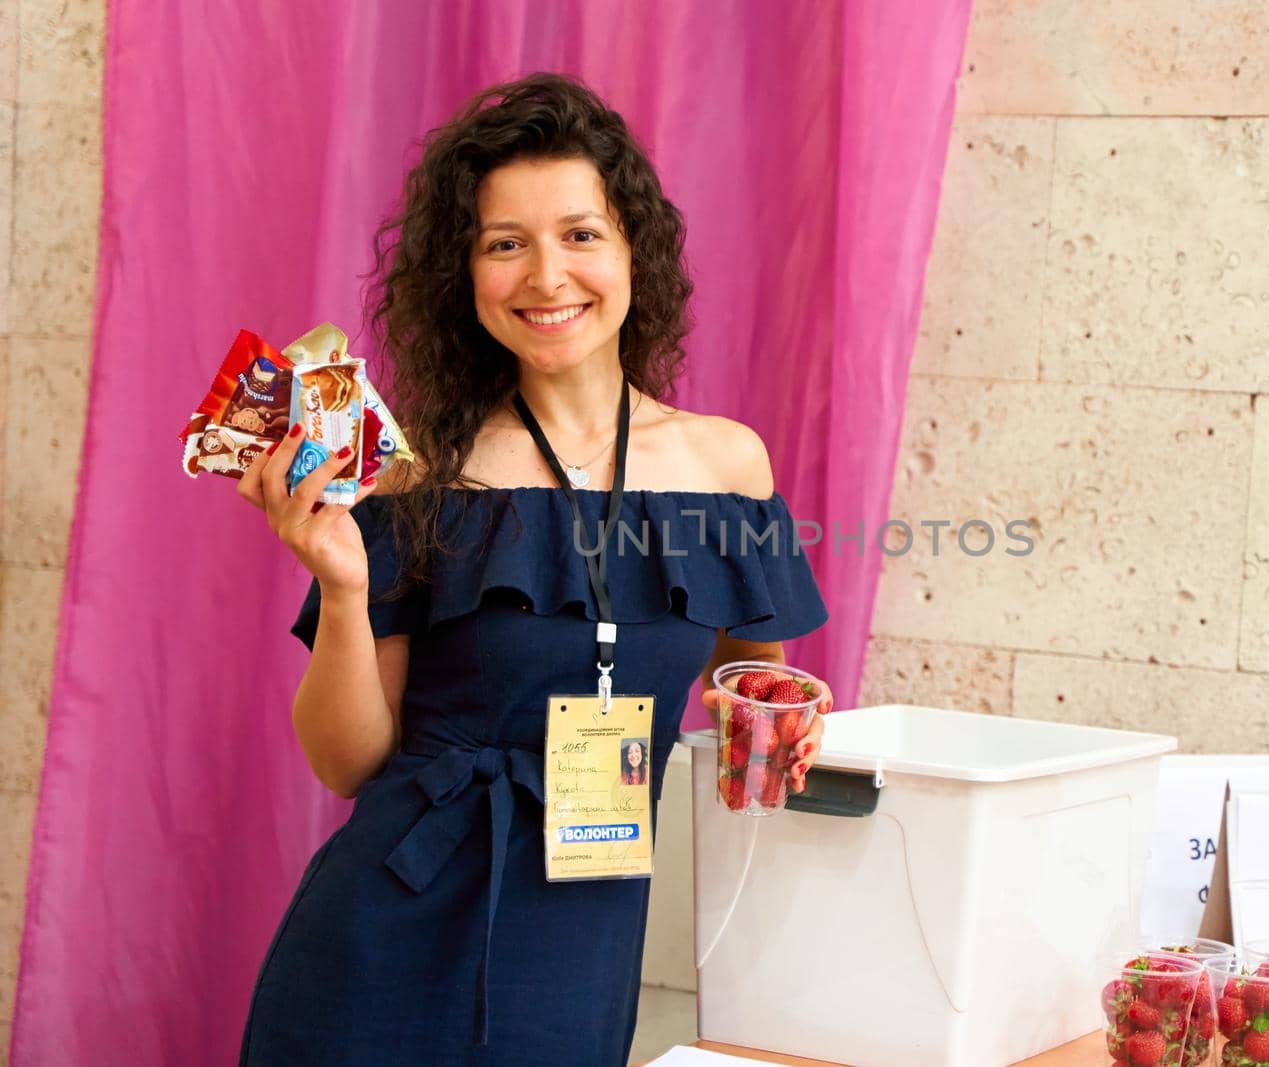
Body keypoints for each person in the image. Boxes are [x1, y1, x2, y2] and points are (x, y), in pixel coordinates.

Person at [234, 72, 832, 1066]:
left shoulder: (727, 466)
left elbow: (751, 685)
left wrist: (777, 712)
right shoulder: (412, 471)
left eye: (581, 234)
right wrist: (343, 585)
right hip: (388, 926)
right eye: (504, 243)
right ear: (465, 277)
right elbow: (346, 762)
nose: (547, 276)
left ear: (634, 250)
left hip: (583, 929)